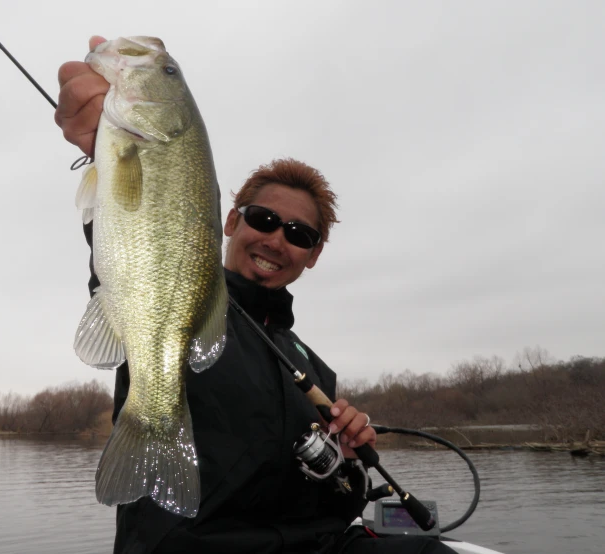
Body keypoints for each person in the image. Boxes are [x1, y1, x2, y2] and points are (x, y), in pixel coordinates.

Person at [56, 37, 455, 554]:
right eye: (264, 220)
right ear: (230, 221)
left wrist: (349, 460)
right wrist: (102, 150)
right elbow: (134, 241)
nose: (275, 239)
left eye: (299, 234)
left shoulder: (314, 370)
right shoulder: (192, 302)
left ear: (312, 256)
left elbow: (333, 500)